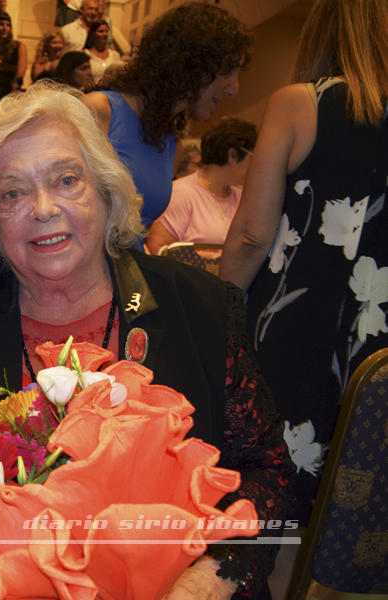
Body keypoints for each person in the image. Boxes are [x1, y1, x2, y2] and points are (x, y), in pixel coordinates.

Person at [0, 81, 290, 600]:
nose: (43, 208)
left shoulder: (202, 306)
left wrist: (211, 577)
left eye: (66, 179)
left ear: (104, 188)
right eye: (12, 193)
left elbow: (268, 469)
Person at [220, 0, 388, 523]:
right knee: (348, 496)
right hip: (375, 338)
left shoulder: (299, 103)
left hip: (293, 326)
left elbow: (252, 233)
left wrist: (214, 310)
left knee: (275, 493)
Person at [83, 2, 252, 231]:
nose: (234, 89)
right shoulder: (100, 111)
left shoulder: (172, 144)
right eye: (229, 72)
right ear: (194, 65)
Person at [146, 117, 257, 255]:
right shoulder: (182, 193)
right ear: (232, 155)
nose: (256, 166)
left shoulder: (242, 198)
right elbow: (159, 249)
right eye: (253, 158)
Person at [0, 11, 27, 95]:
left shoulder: (19, 46)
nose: (5, 28)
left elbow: (20, 73)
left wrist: (15, 85)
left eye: (8, 25)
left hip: (10, 89)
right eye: (1, 24)